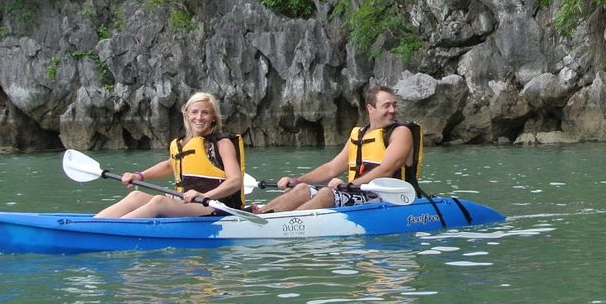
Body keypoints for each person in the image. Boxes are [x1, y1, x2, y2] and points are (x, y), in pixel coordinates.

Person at [250, 83, 422, 213]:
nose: (393, 110)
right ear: (370, 108)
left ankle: (285, 224)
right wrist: (298, 180)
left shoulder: (400, 132)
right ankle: (262, 216)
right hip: (356, 193)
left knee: (326, 193)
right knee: (302, 189)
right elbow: (332, 168)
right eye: (386, 106)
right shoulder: (360, 134)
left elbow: (386, 169)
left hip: (389, 198)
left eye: (395, 105)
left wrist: (347, 185)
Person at [96, 91, 245, 218]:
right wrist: (139, 176)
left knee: (160, 201)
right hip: (188, 203)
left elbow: (235, 181)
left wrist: (206, 196)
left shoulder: (222, 143)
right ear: (186, 115)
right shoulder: (180, 144)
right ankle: (93, 225)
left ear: (213, 117)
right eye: (194, 112)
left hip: (215, 205)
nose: (199, 117)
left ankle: (110, 231)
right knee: (136, 196)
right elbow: (170, 165)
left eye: (205, 113)